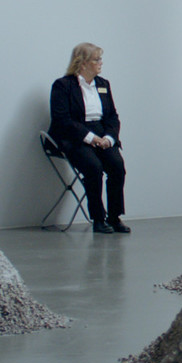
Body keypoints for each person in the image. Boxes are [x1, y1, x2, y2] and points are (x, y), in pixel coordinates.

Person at [49, 43, 129, 233]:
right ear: (83, 63)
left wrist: (109, 138)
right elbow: (62, 120)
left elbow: (112, 116)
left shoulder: (103, 84)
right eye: (96, 59)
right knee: (93, 168)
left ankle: (114, 217)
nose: (101, 63)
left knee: (117, 167)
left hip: (101, 133)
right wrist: (91, 138)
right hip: (75, 136)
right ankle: (98, 219)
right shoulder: (63, 86)